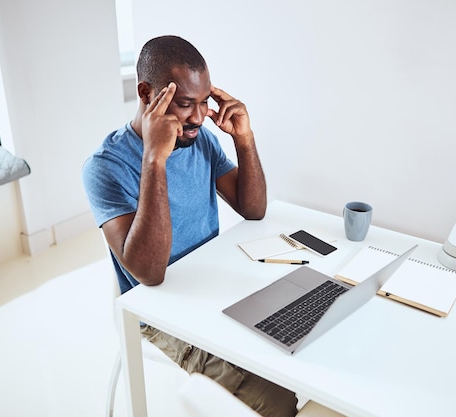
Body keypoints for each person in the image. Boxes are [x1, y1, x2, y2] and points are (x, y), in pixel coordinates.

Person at [82, 35, 298, 416]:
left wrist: (244, 139)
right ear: (147, 94)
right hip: (164, 314)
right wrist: (154, 158)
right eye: (185, 105)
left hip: (217, 286)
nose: (199, 117)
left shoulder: (199, 141)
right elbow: (149, 273)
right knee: (275, 402)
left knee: (304, 351)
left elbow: (254, 209)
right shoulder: (106, 166)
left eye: (203, 103)